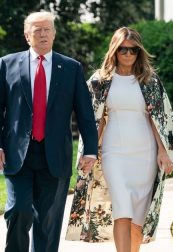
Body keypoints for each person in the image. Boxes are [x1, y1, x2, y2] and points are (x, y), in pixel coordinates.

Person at [65, 27, 173, 252]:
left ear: (139, 52)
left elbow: (158, 119)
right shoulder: (100, 81)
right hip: (114, 153)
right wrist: (90, 151)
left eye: (133, 50)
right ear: (114, 50)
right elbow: (95, 120)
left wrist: (163, 152)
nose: (128, 54)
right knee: (122, 211)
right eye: (122, 49)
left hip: (145, 154)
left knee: (137, 219)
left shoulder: (150, 81)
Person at [0, 11, 98, 252]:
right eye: (37, 30)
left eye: (47, 29)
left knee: (48, 221)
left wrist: (91, 151)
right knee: (18, 210)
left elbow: (85, 113)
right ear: (27, 35)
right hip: (17, 154)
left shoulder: (71, 68)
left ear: (54, 34)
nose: (43, 34)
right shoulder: (6, 64)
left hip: (55, 155)